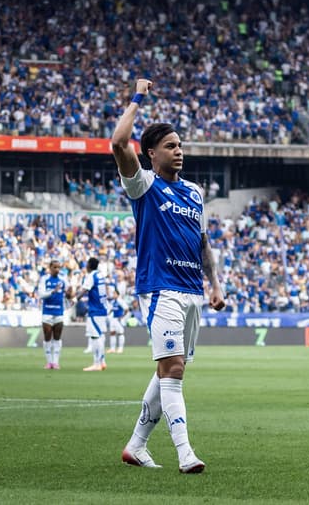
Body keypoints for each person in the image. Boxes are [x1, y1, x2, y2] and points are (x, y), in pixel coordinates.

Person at [112, 78, 225, 474]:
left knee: (168, 370)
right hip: (161, 288)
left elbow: (203, 243)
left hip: (193, 291)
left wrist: (215, 284)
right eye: (171, 146)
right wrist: (138, 97)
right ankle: (185, 453)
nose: (179, 151)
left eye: (180, 146)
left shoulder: (194, 193)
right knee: (173, 370)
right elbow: (118, 142)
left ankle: (136, 446)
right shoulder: (144, 185)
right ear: (151, 153)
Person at [37, 260, 73, 370]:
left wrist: (69, 294)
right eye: (55, 267)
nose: (57, 270)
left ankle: (55, 362)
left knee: (57, 338)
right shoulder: (44, 279)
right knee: (47, 337)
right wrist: (52, 291)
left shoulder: (63, 279)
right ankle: (49, 362)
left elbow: (69, 295)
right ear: (50, 268)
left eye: (59, 267)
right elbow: (41, 294)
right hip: (47, 312)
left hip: (59, 312)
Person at [77, 257, 110, 371]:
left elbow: (84, 290)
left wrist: (75, 299)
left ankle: (97, 363)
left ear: (89, 265)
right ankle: (102, 361)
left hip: (95, 310)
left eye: (87, 264)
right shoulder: (100, 275)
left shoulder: (91, 276)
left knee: (95, 336)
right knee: (100, 335)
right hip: (102, 309)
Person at [106, 276, 128, 354]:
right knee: (112, 332)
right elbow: (112, 309)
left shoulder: (120, 301)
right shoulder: (113, 301)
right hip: (113, 318)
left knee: (120, 333)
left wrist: (122, 316)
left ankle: (120, 348)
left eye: (114, 293)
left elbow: (126, 309)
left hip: (119, 319)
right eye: (113, 293)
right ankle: (112, 348)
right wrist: (109, 313)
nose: (113, 294)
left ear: (118, 294)